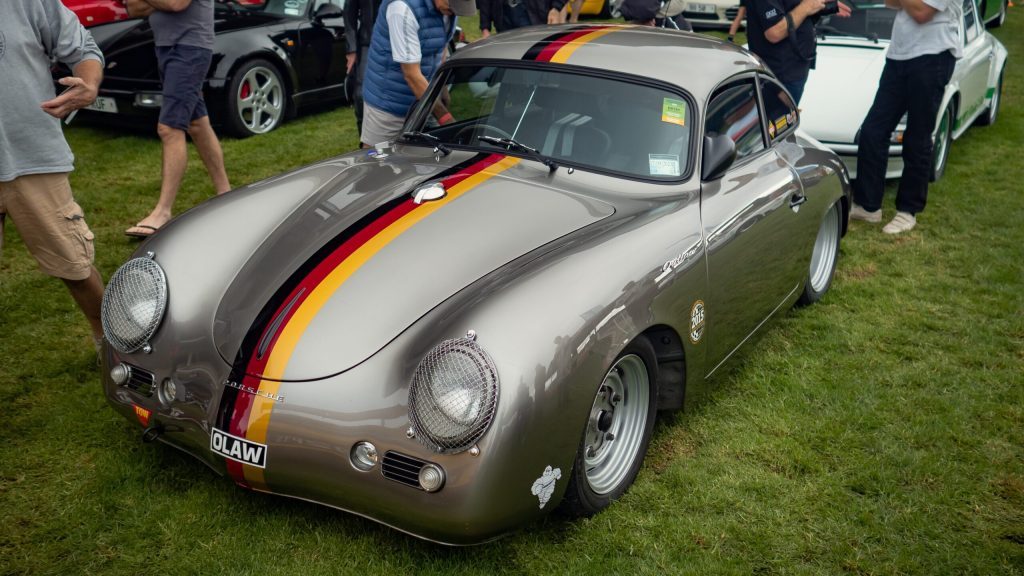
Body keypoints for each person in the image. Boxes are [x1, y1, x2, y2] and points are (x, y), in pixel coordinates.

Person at [0, 0, 106, 349]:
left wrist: (88, 84)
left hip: (29, 156)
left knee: (74, 268)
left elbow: (83, 49)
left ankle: (111, 343)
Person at [850, 0, 961, 234]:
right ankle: (868, 206)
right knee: (873, 130)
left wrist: (909, 3)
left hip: (933, 57)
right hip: (899, 56)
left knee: (917, 137)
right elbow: (890, 3)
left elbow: (922, 12)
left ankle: (907, 211)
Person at [124, 0, 231, 238]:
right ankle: (226, 194)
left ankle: (162, 212)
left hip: (190, 48)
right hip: (166, 46)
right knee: (198, 124)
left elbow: (175, 4)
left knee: (169, 128)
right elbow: (133, 8)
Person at [360, 0, 476, 147]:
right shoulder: (402, 9)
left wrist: (442, 88)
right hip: (388, 102)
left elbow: (441, 47)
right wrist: (445, 117)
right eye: (451, 7)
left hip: (424, 97)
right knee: (377, 159)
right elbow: (411, 74)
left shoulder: (448, 10)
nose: (453, 12)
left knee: (424, 158)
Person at [744, 0, 850, 104]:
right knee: (780, 118)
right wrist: (806, 6)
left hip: (797, 66)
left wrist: (827, 6)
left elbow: (792, 7)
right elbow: (774, 32)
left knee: (787, 116)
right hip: (780, 77)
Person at [345, 0, 383, 135]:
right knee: (361, 95)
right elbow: (349, 15)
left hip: (394, 42)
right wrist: (352, 49)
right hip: (366, 43)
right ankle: (364, 140)